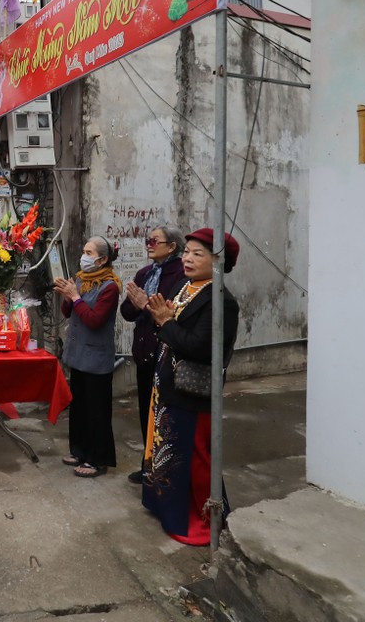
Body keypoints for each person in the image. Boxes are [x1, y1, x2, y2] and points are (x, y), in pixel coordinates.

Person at [142, 227, 241, 546]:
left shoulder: (222, 302)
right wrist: (163, 320)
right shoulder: (188, 288)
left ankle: (199, 522)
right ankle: (167, 509)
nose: (187, 258)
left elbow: (201, 348)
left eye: (198, 254)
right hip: (170, 387)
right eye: (186, 251)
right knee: (169, 452)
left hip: (194, 392)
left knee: (195, 457)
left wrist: (165, 323)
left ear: (218, 262)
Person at [119, 224, 186, 485]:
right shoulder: (145, 272)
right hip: (145, 353)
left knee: (165, 416)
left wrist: (145, 305)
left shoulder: (180, 275)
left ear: (172, 246)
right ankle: (147, 465)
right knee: (146, 412)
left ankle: (165, 470)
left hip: (166, 353)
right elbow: (127, 311)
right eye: (148, 240)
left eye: (155, 241)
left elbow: (168, 314)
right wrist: (139, 305)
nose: (149, 244)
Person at [53, 237, 122, 478]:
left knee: (97, 411)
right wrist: (67, 294)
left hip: (96, 356)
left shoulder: (110, 287)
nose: (84, 256)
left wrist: (75, 297)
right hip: (78, 354)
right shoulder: (81, 278)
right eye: (83, 251)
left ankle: (98, 459)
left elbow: (94, 320)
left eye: (89, 252)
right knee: (79, 407)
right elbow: (68, 312)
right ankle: (79, 451)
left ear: (102, 259)